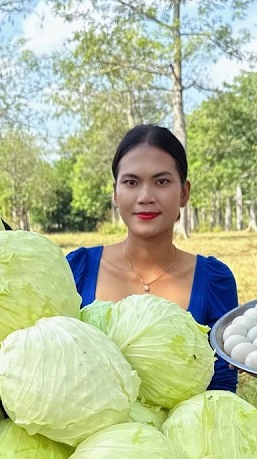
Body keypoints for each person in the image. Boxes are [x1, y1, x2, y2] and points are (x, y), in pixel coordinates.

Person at [66, 124, 238, 393]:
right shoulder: (77, 269)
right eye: (131, 182)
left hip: (182, 434)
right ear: (115, 193)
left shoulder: (214, 280)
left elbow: (220, 386)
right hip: (88, 433)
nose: (145, 197)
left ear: (184, 192)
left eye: (161, 181)